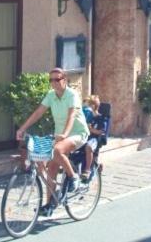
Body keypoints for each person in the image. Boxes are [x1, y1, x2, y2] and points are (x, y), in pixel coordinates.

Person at [15, 68, 89, 216]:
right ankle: (49, 205)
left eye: (57, 79)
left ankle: (73, 177)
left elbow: (71, 116)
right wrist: (22, 128)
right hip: (59, 135)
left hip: (77, 134)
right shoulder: (51, 95)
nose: (54, 83)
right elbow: (38, 113)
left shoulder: (72, 95)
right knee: (51, 169)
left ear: (65, 79)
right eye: (51, 80)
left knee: (56, 151)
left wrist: (65, 134)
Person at [81, 94, 105, 182]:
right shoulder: (86, 116)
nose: (85, 108)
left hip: (94, 138)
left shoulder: (100, 118)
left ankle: (87, 170)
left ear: (93, 106)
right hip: (84, 136)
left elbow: (101, 131)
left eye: (87, 105)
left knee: (88, 147)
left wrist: (91, 129)